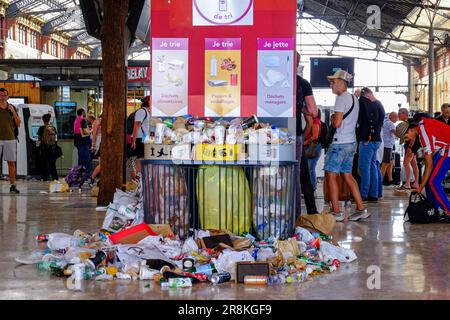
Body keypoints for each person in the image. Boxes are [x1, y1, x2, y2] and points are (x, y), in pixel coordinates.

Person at [324, 70, 369, 222]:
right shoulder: (354, 98)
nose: (331, 85)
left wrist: (333, 119)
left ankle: (336, 211)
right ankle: (361, 208)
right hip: (351, 142)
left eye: (334, 82)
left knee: (331, 175)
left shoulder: (341, 98)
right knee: (348, 175)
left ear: (342, 83)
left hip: (339, 143)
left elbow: (337, 123)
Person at [402, 118, 450, 220]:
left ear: (410, 130)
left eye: (405, 137)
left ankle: (448, 210)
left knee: (433, 182)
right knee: (429, 181)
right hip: (445, 148)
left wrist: (420, 188)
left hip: (448, 148)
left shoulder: (424, 135)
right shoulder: (422, 126)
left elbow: (429, 165)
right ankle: (434, 209)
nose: (406, 140)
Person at [295, 52, 319, 216]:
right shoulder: (302, 83)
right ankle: (308, 213)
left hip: (265, 133)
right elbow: (313, 111)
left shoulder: (264, 77)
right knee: (301, 175)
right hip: (293, 133)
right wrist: (301, 108)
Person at [356, 87, 385, 202]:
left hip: (368, 140)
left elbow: (369, 120)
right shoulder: (379, 104)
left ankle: (363, 194)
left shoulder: (366, 103)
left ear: (366, 95)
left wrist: (368, 134)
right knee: (373, 166)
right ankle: (375, 193)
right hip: (376, 139)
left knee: (365, 167)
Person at [0, 88, 21, 194]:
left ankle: (13, 185)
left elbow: (18, 123)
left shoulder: (12, 108)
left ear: (7, 97)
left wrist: (13, 111)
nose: (2, 97)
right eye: (0, 95)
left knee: (11, 163)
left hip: (10, 138)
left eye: (4, 95)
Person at [397, 107, 419, 190]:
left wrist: (410, 147)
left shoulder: (410, 121)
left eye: (400, 113)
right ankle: (416, 183)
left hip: (411, 145)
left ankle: (408, 183)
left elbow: (414, 136)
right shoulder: (410, 121)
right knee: (414, 163)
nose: (398, 115)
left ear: (405, 114)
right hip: (412, 145)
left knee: (406, 163)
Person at [131, 96, 152, 179]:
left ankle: (141, 176)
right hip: (140, 138)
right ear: (148, 102)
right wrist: (134, 140)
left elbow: (148, 127)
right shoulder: (142, 111)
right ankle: (139, 176)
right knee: (141, 158)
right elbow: (136, 125)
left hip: (145, 138)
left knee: (143, 157)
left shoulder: (147, 111)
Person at [304, 109, 322, 191]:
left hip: (313, 147)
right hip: (315, 146)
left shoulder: (315, 121)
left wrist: (304, 143)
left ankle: (312, 187)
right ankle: (311, 187)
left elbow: (315, 136)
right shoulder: (316, 121)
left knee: (310, 168)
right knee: (310, 168)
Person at [37, 113, 58, 181]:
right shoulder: (53, 127)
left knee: (44, 163)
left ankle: (45, 177)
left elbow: (39, 138)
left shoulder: (41, 128)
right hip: (52, 147)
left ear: (43, 120)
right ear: (49, 120)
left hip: (44, 147)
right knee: (52, 163)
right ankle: (55, 177)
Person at [381, 112, 399, 185]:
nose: (397, 119)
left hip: (386, 145)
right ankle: (380, 180)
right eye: (396, 117)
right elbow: (395, 133)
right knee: (385, 164)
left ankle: (390, 179)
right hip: (387, 145)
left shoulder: (385, 121)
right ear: (392, 117)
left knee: (390, 163)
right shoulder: (390, 123)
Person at [73, 108, 92, 176]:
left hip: (78, 141)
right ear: (83, 112)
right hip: (83, 141)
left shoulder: (76, 120)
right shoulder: (82, 120)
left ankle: (79, 174)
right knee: (87, 159)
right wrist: (91, 130)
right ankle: (88, 174)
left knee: (80, 159)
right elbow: (85, 131)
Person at [90, 114, 102, 186]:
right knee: (102, 164)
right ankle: (92, 178)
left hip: (102, 143)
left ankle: (94, 178)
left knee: (103, 164)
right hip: (100, 143)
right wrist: (93, 145)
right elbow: (94, 134)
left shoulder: (98, 122)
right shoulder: (97, 122)